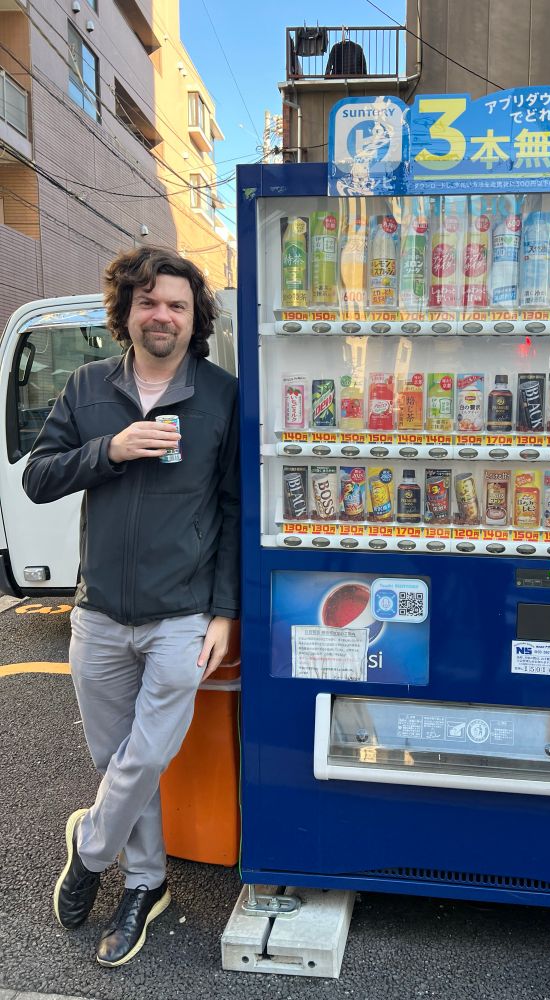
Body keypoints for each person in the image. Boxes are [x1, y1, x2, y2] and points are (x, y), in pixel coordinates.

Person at [23, 247, 240, 967]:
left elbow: (234, 511)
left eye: (176, 305)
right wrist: (110, 449)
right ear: (125, 311)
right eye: (148, 302)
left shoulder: (220, 395)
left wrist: (223, 613)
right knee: (118, 758)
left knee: (145, 755)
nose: (162, 315)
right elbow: (39, 479)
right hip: (99, 613)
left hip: (182, 616)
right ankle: (147, 883)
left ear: (194, 317)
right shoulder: (87, 389)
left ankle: (90, 851)